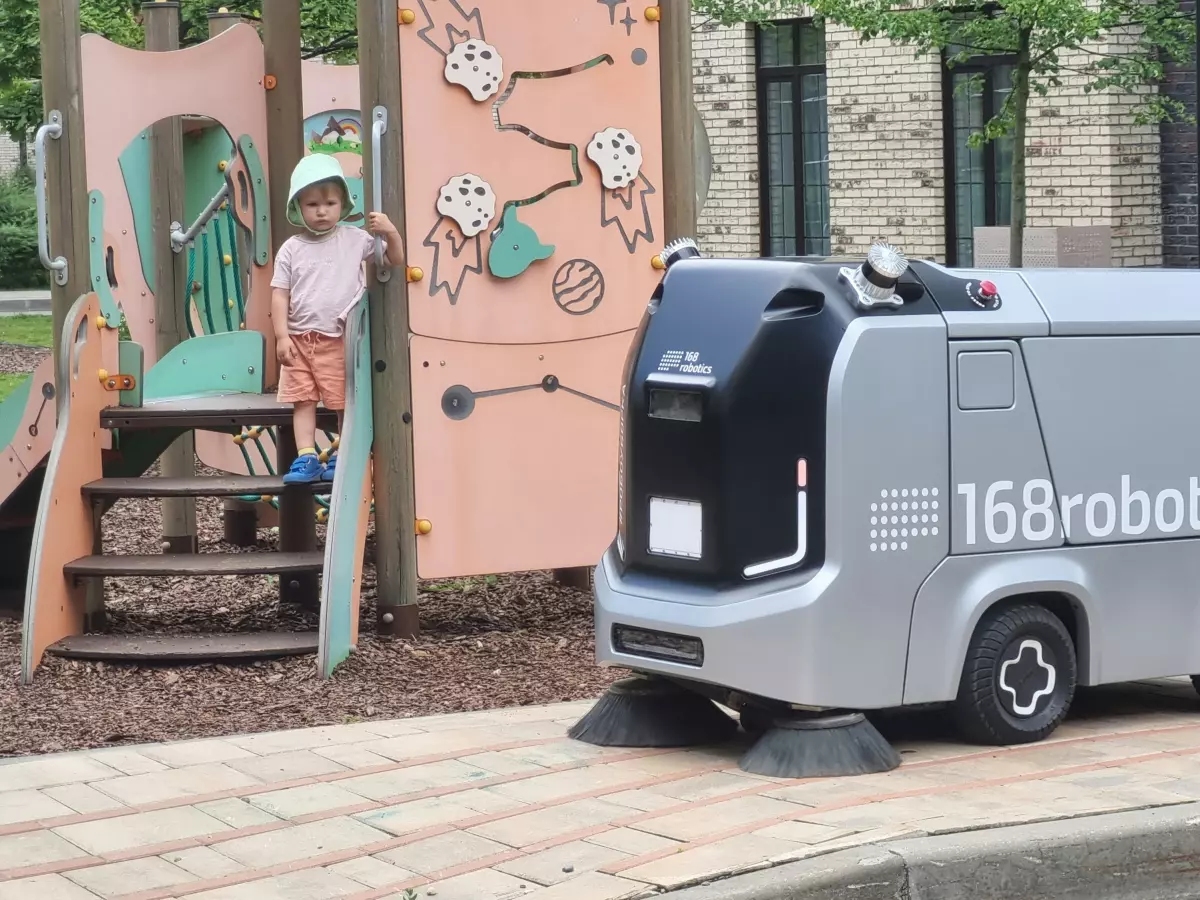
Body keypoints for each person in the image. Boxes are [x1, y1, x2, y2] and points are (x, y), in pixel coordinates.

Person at [271, 154, 404, 484]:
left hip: (338, 338)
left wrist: (391, 233)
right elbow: (280, 294)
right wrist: (282, 336)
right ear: (298, 207)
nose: (321, 210)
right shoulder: (291, 248)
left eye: (330, 203)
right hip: (300, 340)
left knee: (342, 402)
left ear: (342, 204)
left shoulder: (355, 239)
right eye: (312, 203)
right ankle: (306, 457)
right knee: (302, 400)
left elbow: (395, 260)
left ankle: (343, 455)